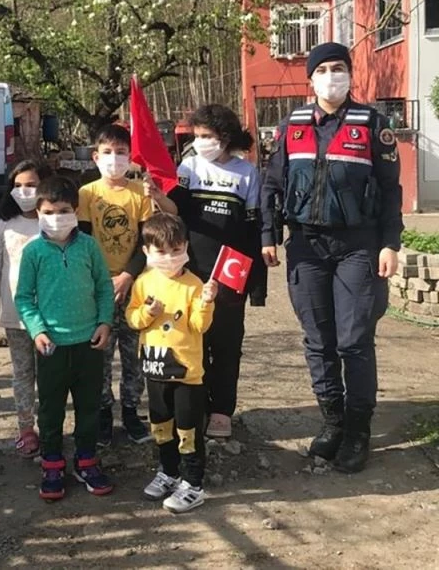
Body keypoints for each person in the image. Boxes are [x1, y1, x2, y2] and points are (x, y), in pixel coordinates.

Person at [260, 42, 404, 473]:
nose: (331, 77)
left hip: (358, 245)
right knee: (317, 340)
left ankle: (358, 431)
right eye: (322, 70)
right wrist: (268, 235)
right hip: (306, 245)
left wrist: (390, 243)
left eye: (338, 68)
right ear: (310, 79)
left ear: (350, 74)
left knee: (353, 340)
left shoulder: (373, 124)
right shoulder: (291, 126)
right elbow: (271, 185)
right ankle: (333, 422)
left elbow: (391, 190)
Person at [146, 104, 267, 438]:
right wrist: (158, 196)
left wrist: (256, 283)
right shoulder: (188, 166)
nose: (200, 141)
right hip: (191, 270)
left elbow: (253, 227)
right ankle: (194, 405)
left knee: (226, 345)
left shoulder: (247, 173)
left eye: (207, 135)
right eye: (196, 135)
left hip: (230, 272)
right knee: (192, 340)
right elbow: (176, 211)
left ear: (225, 137)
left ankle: (221, 411)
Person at [14, 175, 115, 501]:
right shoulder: (34, 252)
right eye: (48, 211)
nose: (56, 217)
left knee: (89, 406)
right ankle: (52, 463)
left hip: (89, 343)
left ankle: (86, 460)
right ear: (38, 213)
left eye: (63, 211)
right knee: (51, 409)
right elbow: (24, 297)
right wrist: (37, 330)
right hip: (52, 346)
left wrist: (105, 322)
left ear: (76, 211)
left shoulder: (89, 246)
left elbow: (104, 287)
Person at [125, 213, 216, 512]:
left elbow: (199, 325)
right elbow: (132, 318)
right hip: (155, 369)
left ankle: (193, 484)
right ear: (146, 251)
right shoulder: (143, 282)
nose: (169, 257)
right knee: (161, 426)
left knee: (188, 430)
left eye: (176, 250)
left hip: (187, 374)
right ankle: (168, 472)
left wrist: (206, 302)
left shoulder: (194, 284)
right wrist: (148, 313)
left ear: (186, 247)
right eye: (161, 251)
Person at [77, 124, 154, 447]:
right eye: (107, 152)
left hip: (135, 285)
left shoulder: (140, 194)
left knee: (134, 354)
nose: (114, 158)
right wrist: (102, 280)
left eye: (121, 152)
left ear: (130, 156)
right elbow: (83, 239)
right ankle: (104, 412)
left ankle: (132, 411)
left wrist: (127, 275)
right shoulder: (87, 194)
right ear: (95, 156)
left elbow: (148, 242)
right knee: (101, 353)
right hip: (99, 289)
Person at [0, 159, 51, 458]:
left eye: (32, 185)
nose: (25, 191)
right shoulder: (4, 227)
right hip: (16, 318)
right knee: (23, 374)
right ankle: (26, 429)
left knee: (50, 377)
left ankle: (50, 426)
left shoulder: (54, 222)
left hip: (52, 318)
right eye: (18, 185)